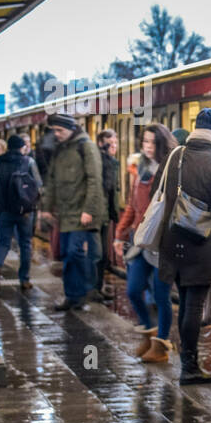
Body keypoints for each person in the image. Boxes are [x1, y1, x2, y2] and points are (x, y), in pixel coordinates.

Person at [157, 108, 211, 385]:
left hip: (172, 242)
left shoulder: (175, 156)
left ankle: (187, 362)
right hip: (202, 246)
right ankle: (190, 367)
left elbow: (156, 195)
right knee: (194, 306)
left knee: (185, 302)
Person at [115, 123, 178, 364]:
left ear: (161, 143)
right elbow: (132, 205)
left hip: (161, 242)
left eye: (152, 142)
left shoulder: (169, 169)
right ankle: (150, 332)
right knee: (133, 289)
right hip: (139, 240)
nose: (147, 147)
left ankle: (161, 344)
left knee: (161, 294)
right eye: (144, 142)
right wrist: (120, 233)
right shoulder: (140, 170)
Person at [38, 113, 105, 312]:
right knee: (66, 253)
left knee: (75, 252)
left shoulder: (86, 147)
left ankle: (83, 292)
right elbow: (51, 181)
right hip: (65, 212)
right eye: (54, 131)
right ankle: (72, 296)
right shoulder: (60, 149)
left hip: (82, 211)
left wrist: (89, 210)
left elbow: (94, 179)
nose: (56, 134)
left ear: (70, 129)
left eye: (60, 130)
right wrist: (46, 208)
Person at [0, 135, 41, 292]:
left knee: (3, 243)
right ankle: (24, 279)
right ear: (21, 147)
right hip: (24, 211)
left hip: (4, 210)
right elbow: (38, 185)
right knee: (25, 244)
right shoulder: (28, 162)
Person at [94, 129, 121, 301]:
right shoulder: (100, 162)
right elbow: (105, 186)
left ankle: (96, 287)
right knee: (99, 254)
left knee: (102, 254)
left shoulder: (112, 161)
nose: (114, 147)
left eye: (116, 143)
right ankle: (94, 288)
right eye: (110, 144)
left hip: (107, 215)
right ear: (101, 144)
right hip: (97, 215)